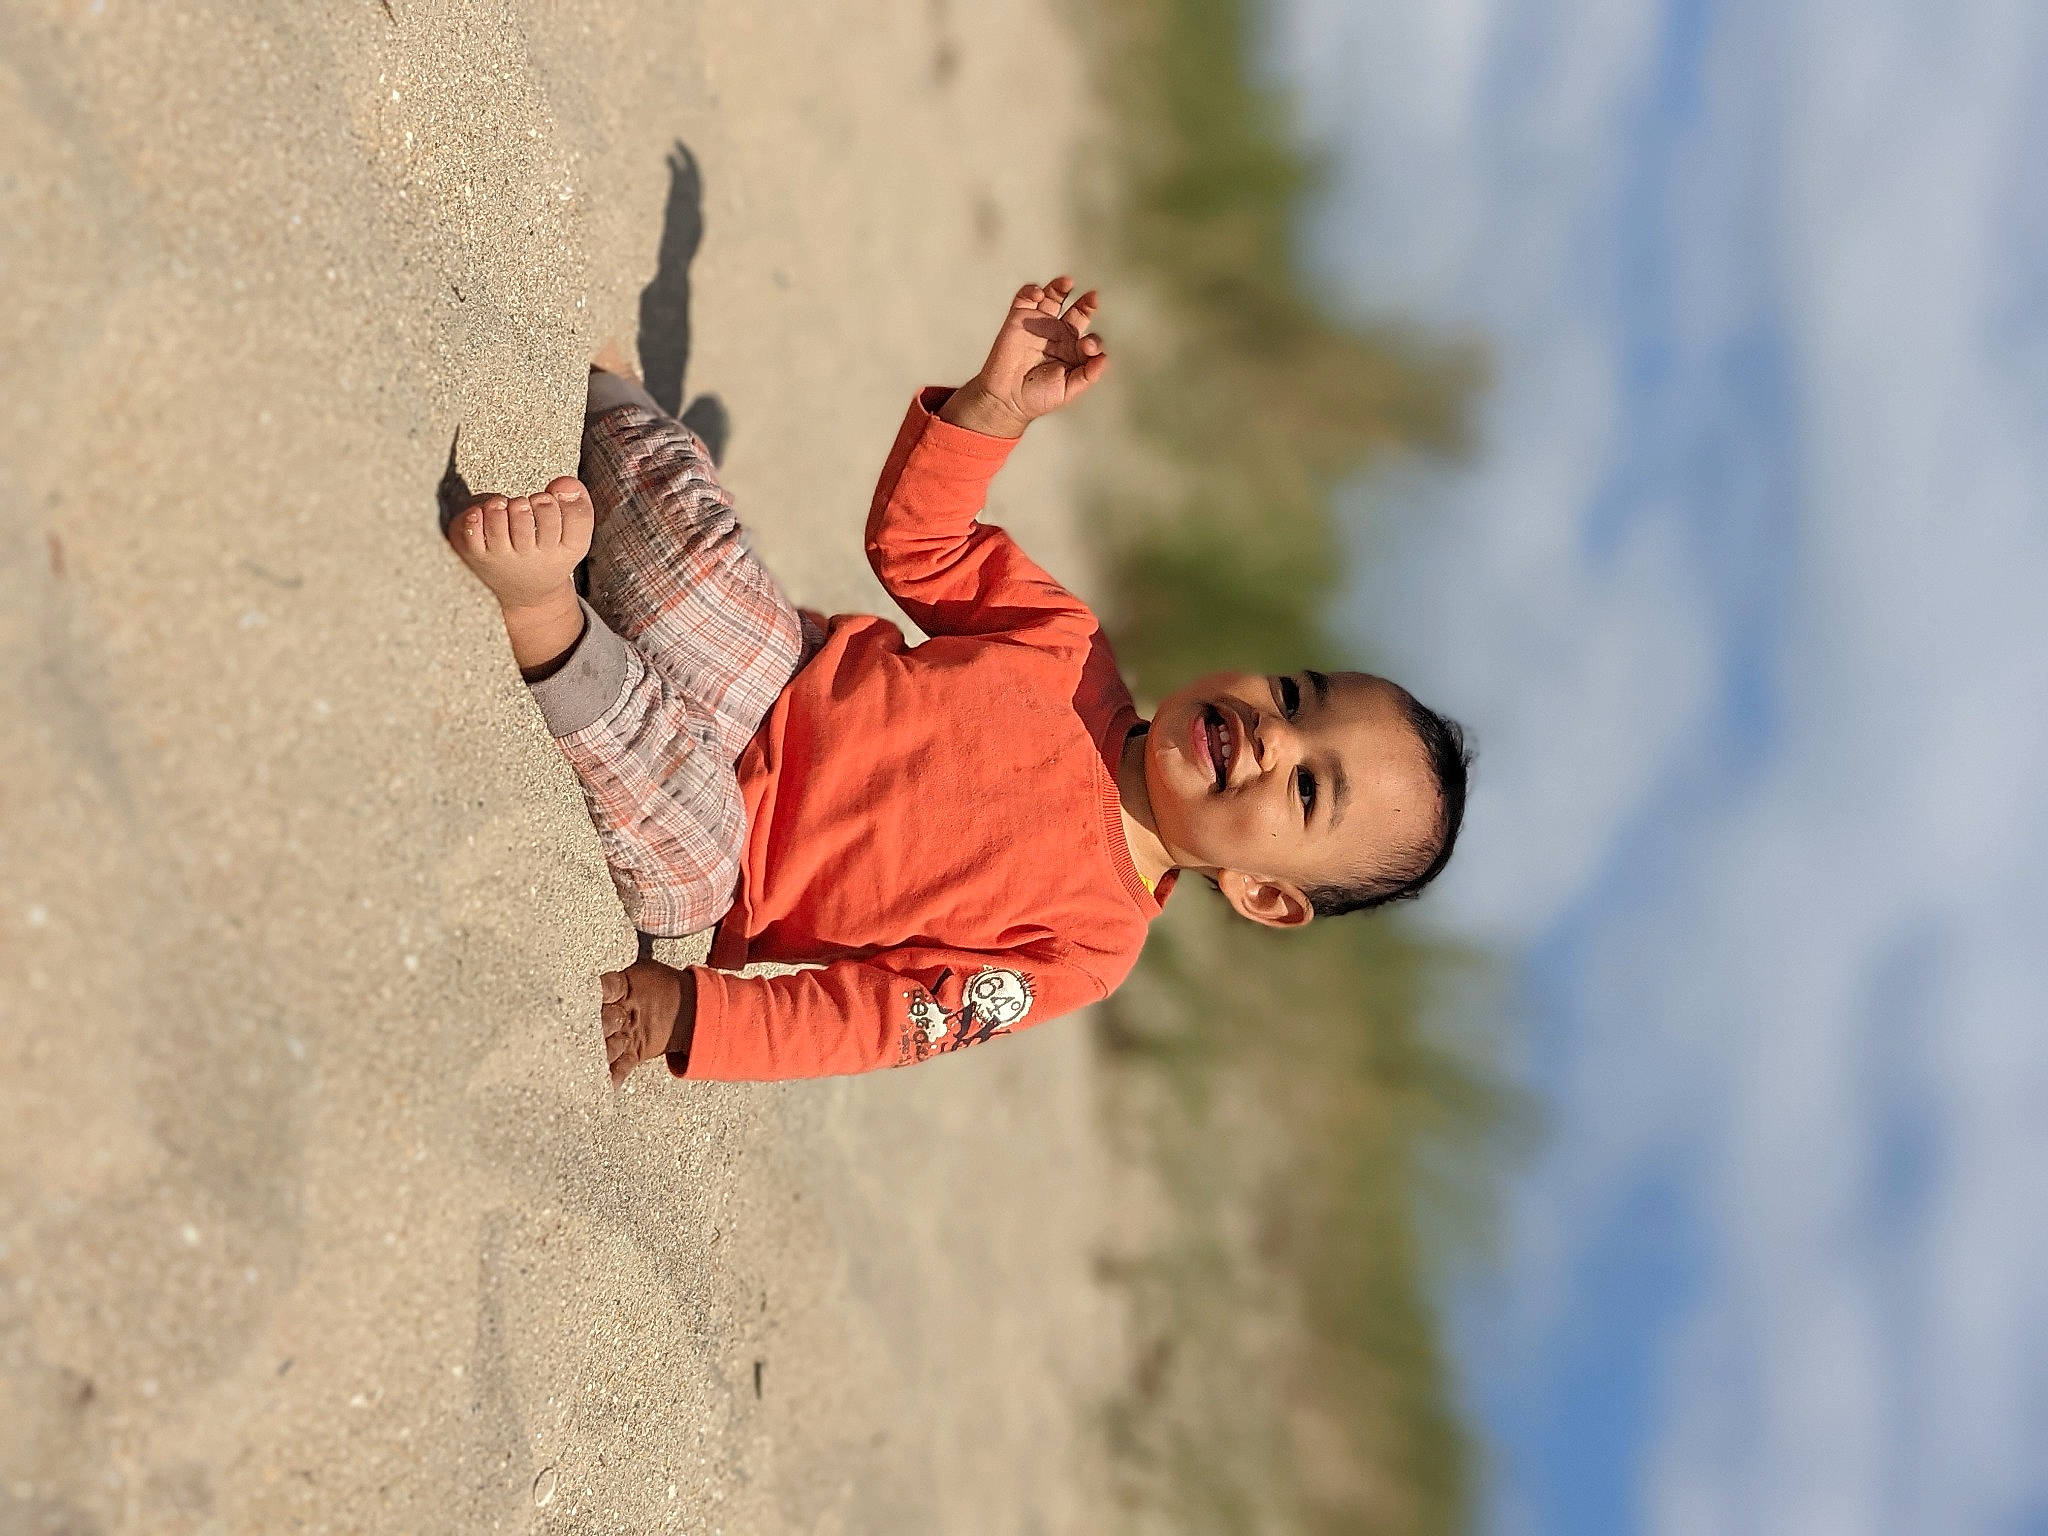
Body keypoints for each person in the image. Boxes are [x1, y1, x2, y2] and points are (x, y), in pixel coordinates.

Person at [445, 276, 1470, 1085]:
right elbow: (918, 547)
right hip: (772, 678)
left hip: (730, 870)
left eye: (1305, 789)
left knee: (674, 843)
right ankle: (610, 402)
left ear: (1262, 897)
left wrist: (695, 1019)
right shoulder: (1069, 649)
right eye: (1295, 696)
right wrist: (988, 412)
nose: (1273, 735)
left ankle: (544, 616)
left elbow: (884, 1018)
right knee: (696, 572)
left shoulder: (1085, 948)